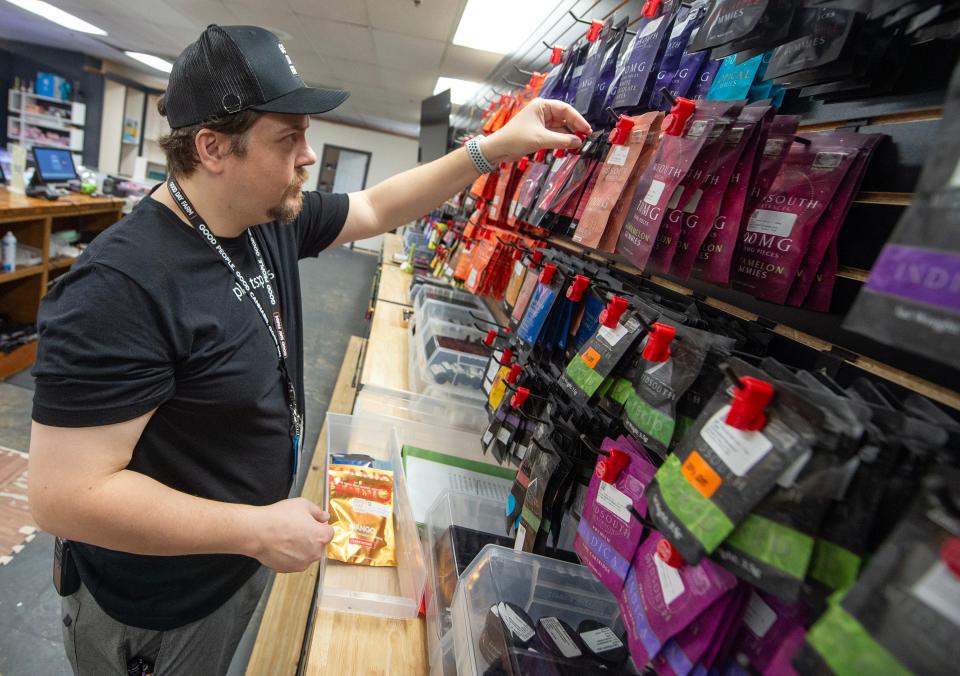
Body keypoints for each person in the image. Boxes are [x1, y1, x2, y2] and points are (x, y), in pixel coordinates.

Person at [26, 24, 591, 676]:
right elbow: (64, 497)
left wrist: (495, 147)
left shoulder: (261, 220)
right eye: (288, 137)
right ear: (212, 147)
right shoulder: (120, 287)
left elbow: (378, 206)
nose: (307, 155)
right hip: (159, 605)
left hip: (236, 564)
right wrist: (257, 530)